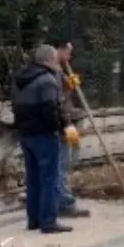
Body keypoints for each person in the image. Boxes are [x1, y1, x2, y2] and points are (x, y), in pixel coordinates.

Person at [12, 45, 75, 233]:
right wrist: (63, 127)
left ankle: (34, 220)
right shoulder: (47, 80)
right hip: (44, 135)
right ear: (49, 60)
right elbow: (51, 108)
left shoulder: (19, 79)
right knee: (50, 179)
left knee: (33, 179)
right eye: (56, 59)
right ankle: (48, 222)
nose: (57, 63)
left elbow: (16, 106)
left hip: (25, 134)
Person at [50, 39, 90, 219]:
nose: (69, 56)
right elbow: (58, 101)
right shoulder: (53, 71)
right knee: (62, 163)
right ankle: (64, 202)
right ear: (57, 50)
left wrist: (69, 87)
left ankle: (61, 200)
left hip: (66, 123)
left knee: (69, 156)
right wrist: (68, 88)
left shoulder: (57, 71)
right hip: (62, 124)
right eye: (67, 51)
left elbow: (63, 98)